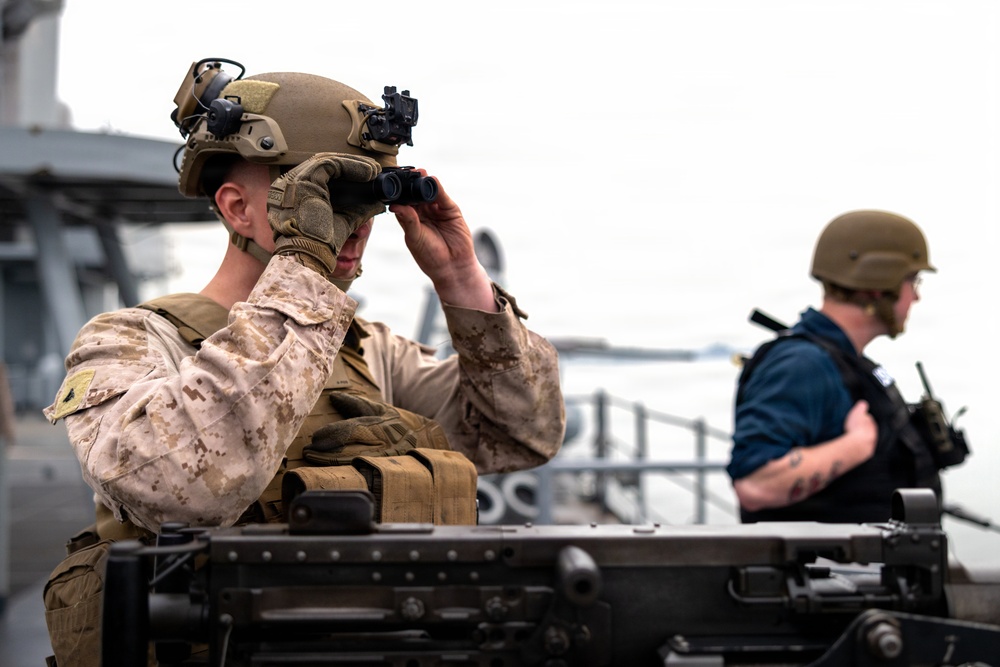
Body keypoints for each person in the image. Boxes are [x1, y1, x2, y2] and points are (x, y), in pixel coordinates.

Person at [40, 59, 566, 666]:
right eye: (322, 197)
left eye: (364, 202)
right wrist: (304, 264)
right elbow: (184, 490)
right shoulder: (130, 341)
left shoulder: (366, 352)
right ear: (238, 209)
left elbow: (522, 433)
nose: (351, 226)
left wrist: (461, 278)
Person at [727, 209, 950, 524]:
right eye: (912, 281)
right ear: (879, 285)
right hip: (828, 558)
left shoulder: (845, 361)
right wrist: (855, 446)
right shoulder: (803, 365)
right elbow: (755, 485)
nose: (916, 297)